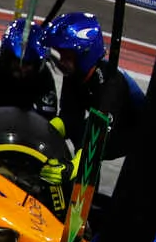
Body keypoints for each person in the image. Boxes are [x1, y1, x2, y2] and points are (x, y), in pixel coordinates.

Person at [38, 11, 144, 156]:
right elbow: (70, 117)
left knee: (85, 139)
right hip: (110, 128)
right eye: (61, 54)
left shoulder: (111, 83)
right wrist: (43, 131)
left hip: (139, 133)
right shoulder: (75, 73)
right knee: (81, 136)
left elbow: (97, 138)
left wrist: (74, 169)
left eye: (67, 56)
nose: (62, 62)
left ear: (85, 53)